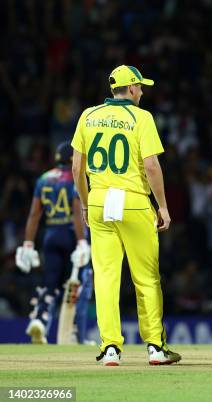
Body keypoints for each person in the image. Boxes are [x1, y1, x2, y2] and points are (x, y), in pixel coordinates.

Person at [71, 65, 180, 366]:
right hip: (132, 201)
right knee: (146, 277)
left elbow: (76, 168)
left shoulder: (88, 116)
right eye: (140, 87)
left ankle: (110, 349)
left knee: (105, 277)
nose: (142, 92)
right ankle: (155, 347)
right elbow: (152, 166)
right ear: (131, 89)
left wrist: (84, 202)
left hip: (99, 202)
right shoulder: (141, 118)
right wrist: (163, 206)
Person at [15, 141, 92, 344]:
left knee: (50, 285)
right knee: (77, 285)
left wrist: (28, 243)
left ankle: (40, 319)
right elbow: (77, 213)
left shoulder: (43, 178)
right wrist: (82, 241)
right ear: (71, 158)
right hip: (71, 235)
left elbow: (34, 214)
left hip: (50, 236)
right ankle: (75, 332)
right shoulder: (74, 177)